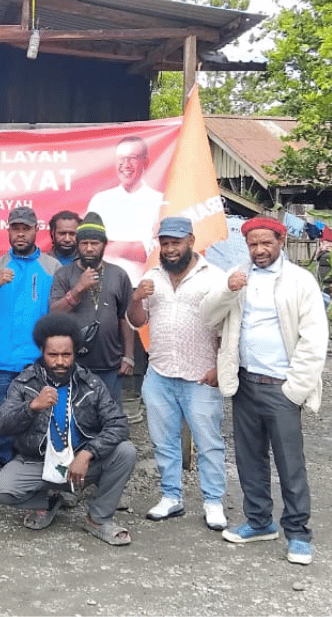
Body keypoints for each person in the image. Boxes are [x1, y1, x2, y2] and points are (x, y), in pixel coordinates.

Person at [202, 216, 328, 565]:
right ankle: (259, 522)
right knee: (249, 459)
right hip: (245, 383)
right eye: (253, 244)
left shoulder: (300, 282)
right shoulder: (239, 276)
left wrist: (295, 390)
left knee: (290, 464)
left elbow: (314, 340)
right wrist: (229, 289)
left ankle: (299, 533)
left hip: (281, 388)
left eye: (265, 243)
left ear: (281, 241)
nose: (259, 250)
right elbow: (208, 316)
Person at [0, 313, 137, 546]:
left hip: (79, 462)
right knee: (1, 489)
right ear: (41, 351)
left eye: (66, 354)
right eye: (53, 355)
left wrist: (88, 454)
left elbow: (119, 424)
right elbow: (2, 424)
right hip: (37, 461)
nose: (60, 361)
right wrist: (32, 406)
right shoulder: (25, 382)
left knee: (126, 451)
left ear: (75, 353)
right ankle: (50, 500)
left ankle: (98, 518)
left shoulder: (91, 383)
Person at [128, 216, 229, 531]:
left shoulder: (214, 277)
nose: (170, 249)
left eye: (177, 242)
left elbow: (228, 325)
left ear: (191, 241)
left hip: (201, 375)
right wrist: (135, 298)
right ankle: (171, 497)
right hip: (159, 373)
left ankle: (213, 502)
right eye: (166, 243)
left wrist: (219, 367)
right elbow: (136, 322)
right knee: (163, 440)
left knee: (208, 442)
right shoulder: (152, 277)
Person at [0, 206, 60, 467]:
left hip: (39, 361)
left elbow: (60, 309)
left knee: (42, 415)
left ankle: (36, 467)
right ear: (8, 231)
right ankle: (7, 467)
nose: (20, 234)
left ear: (36, 231)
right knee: (4, 418)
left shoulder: (51, 267)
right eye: (15, 229)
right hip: (3, 360)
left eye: (26, 229)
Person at [48, 212, 135, 413]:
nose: (88, 248)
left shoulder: (118, 274)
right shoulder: (64, 274)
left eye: (94, 243)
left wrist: (129, 356)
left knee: (109, 420)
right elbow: (54, 314)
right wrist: (78, 288)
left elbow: (126, 318)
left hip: (109, 366)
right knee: (73, 419)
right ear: (78, 245)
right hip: (72, 365)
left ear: (104, 245)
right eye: (84, 243)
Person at [85, 136, 165, 280]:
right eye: (121, 159)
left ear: (145, 162)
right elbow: (89, 246)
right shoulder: (100, 201)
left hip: (145, 286)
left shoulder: (160, 202)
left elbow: (158, 250)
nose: (125, 165)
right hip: (104, 285)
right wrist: (131, 246)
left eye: (132, 158)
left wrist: (116, 247)